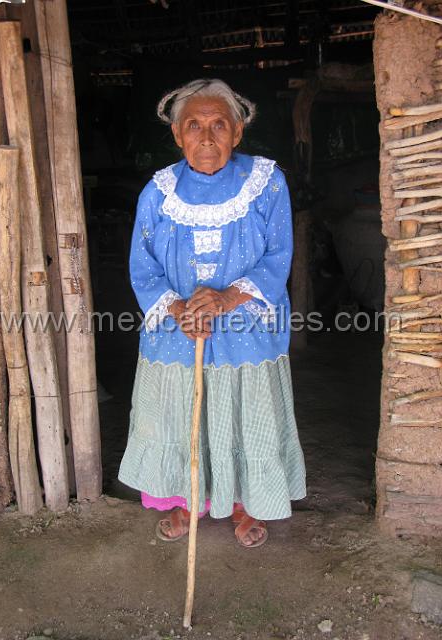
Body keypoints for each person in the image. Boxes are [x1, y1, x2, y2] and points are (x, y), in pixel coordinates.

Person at [118, 78, 306, 548]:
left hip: (245, 324)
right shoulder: (158, 192)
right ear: (178, 135)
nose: (207, 137)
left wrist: (225, 299)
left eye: (218, 125)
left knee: (244, 415)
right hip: (177, 329)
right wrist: (179, 307)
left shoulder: (266, 182)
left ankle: (244, 504)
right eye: (194, 126)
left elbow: (279, 255)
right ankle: (188, 502)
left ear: (237, 133)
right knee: (182, 415)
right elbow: (143, 265)